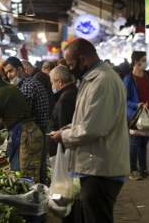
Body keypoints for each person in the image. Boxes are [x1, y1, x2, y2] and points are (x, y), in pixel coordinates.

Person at [50, 38, 130, 223]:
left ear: (83, 60)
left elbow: (94, 128)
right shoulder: (93, 79)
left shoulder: (102, 82)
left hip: (101, 167)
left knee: (97, 218)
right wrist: (71, 127)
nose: (69, 69)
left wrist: (64, 135)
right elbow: (92, 118)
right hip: (95, 165)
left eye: (71, 64)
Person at [3, 56, 51, 184]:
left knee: (28, 175)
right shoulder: (29, 84)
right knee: (37, 171)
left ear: (20, 69)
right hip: (35, 136)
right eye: (6, 72)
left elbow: (19, 116)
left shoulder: (27, 86)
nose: (9, 75)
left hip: (31, 137)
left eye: (11, 71)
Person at [123, 51, 149, 180]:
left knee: (144, 142)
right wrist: (136, 105)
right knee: (135, 143)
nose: (145, 62)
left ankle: (143, 169)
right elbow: (124, 100)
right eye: (143, 60)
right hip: (135, 116)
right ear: (136, 62)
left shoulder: (148, 76)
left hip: (148, 114)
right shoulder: (129, 79)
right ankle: (133, 170)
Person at [45, 65, 77, 157]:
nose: (51, 86)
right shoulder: (71, 92)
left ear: (59, 82)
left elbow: (64, 126)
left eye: (52, 83)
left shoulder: (66, 98)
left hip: (62, 153)